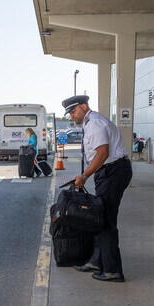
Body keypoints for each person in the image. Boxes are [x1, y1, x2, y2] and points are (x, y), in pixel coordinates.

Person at [62, 95, 132, 282]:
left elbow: (102, 153)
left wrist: (84, 176)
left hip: (113, 172)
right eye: (69, 113)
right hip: (109, 172)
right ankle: (97, 261)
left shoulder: (94, 123)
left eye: (74, 111)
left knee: (106, 221)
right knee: (101, 219)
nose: (72, 115)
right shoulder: (91, 122)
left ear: (84, 106)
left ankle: (112, 270)